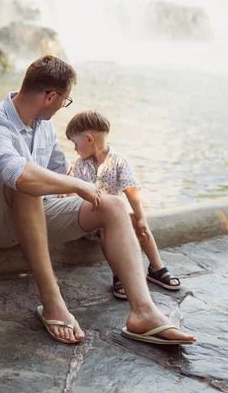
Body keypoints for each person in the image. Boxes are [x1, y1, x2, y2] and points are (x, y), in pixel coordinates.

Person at [0, 55, 196, 346]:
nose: (65, 105)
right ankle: (52, 302)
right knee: (26, 184)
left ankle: (143, 312)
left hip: (38, 213)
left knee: (111, 205)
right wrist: (76, 185)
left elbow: (61, 172)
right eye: (66, 100)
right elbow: (23, 177)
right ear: (51, 96)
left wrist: (86, 206)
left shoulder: (44, 127)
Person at [65, 110, 180, 299]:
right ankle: (119, 274)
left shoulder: (118, 162)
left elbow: (130, 190)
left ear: (88, 138)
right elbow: (72, 188)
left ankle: (157, 267)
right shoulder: (80, 165)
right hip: (91, 219)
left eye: (75, 144)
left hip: (115, 218)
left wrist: (141, 218)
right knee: (105, 229)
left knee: (136, 220)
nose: (75, 149)